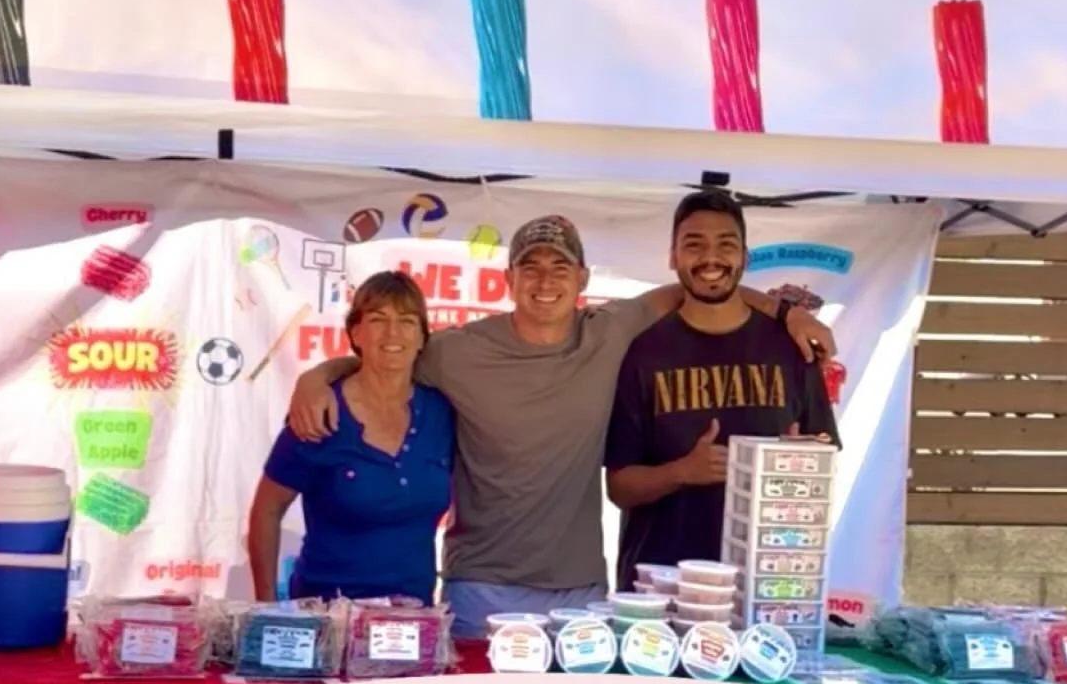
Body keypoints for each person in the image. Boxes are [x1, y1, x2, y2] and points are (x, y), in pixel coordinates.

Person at [287, 214, 835, 637]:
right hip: (480, 589)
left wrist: (789, 313)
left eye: (559, 267)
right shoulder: (457, 353)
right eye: (531, 266)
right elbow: (385, 358)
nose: (545, 280)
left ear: (583, 278)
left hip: (581, 593)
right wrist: (318, 375)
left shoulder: (611, 330)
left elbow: (700, 288)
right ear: (509, 279)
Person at [605, 189, 839, 590]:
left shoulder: (791, 348)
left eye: (725, 244)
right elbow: (619, 487)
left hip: (766, 586)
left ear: (745, 258)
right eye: (694, 244)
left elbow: (825, 450)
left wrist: (797, 458)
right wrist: (681, 472)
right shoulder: (641, 352)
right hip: (661, 588)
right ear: (673, 257)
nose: (711, 258)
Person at [248, 272, 453, 604]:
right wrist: (266, 606)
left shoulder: (441, 413)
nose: (392, 333)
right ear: (355, 333)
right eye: (377, 319)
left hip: (412, 622)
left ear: (422, 338)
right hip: (328, 616)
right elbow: (267, 510)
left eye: (406, 320)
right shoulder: (319, 411)